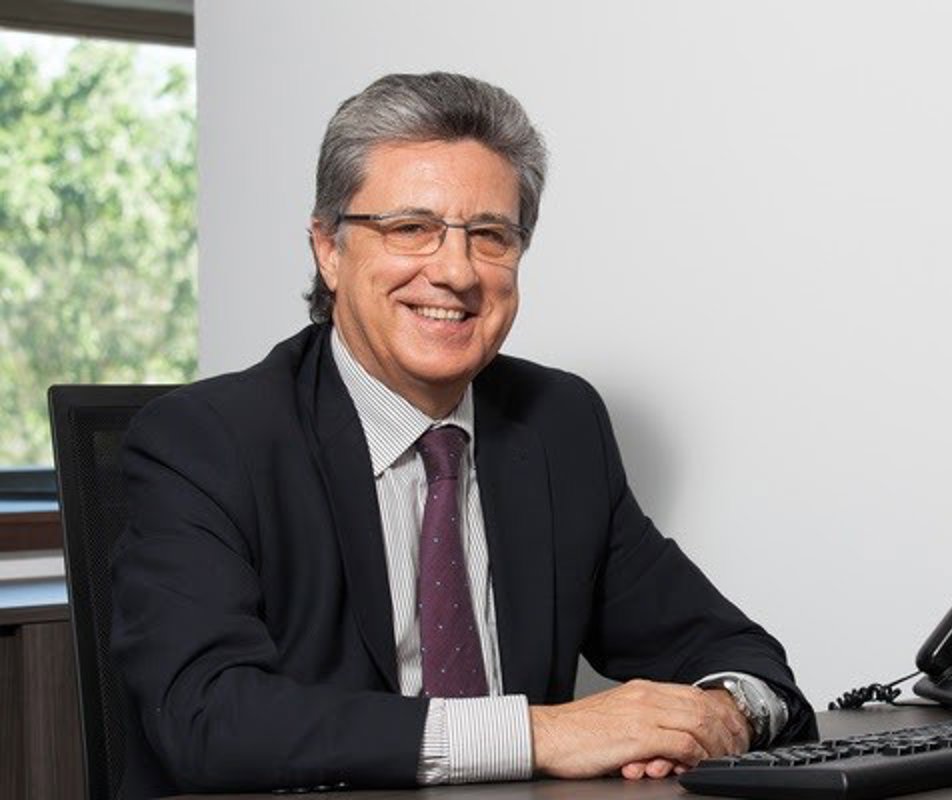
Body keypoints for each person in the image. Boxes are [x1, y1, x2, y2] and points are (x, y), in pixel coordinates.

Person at [110, 72, 816, 798]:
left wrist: (721, 713)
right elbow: (208, 718)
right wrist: (542, 734)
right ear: (328, 248)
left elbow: (736, 654)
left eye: (490, 236)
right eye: (410, 228)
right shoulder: (204, 443)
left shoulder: (559, 425)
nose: (456, 272)